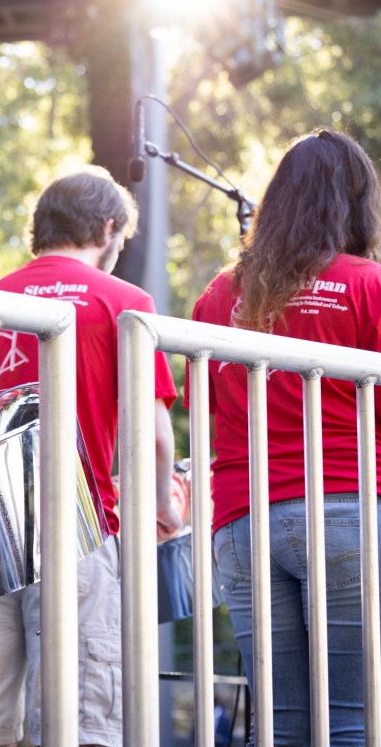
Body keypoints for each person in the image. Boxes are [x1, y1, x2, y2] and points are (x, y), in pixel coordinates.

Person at [0, 167, 180, 747]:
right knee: (79, 719)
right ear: (107, 227)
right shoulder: (124, 303)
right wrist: (163, 504)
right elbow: (151, 430)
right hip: (80, 529)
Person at [190, 129, 381, 745]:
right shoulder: (366, 284)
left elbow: (209, 409)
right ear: (355, 202)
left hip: (243, 524)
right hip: (344, 510)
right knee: (353, 721)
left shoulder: (220, 296)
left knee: (279, 728)